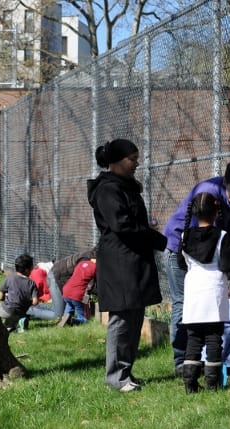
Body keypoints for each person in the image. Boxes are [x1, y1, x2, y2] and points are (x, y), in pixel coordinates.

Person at [163, 160, 230, 376]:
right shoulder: (208, 194)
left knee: (205, 306)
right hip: (180, 250)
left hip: (202, 255)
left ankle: (202, 358)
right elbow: (207, 237)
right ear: (225, 181)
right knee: (184, 302)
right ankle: (181, 359)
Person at [87, 138, 167, 392]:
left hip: (134, 259)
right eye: (132, 159)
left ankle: (125, 373)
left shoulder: (125, 187)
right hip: (120, 262)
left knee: (134, 316)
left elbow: (132, 224)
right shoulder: (107, 190)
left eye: (136, 158)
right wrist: (157, 238)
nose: (137, 163)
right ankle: (116, 378)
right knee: (122, 319)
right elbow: (122, 225)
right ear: (116, 162)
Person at [180, 192, 230, 393]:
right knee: (214, 337)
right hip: (214, 291)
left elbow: (181, 263)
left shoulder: (184, 235)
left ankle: (190, 384)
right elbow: (227, 265)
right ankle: (212, 384)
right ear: (215, 213)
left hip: (194, 290)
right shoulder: (222, 236)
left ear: (194, 212)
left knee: (193, 338)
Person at [46, 247, 97, 318]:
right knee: (58, 315)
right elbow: (87, 285)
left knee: (62, 312)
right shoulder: (88, 259)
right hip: (56, 276)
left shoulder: (92, 258)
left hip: (65, 284)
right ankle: (30, 310)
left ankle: (34, 307)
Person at [0, 254, 40, 332]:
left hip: (7, 310)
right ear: (27, 270)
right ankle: (20, 323)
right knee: (9, 324)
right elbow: (35, 302)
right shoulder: (31, 283)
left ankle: (1, 325)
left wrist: (4, 300)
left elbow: (1, 297)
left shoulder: (10, 278)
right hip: (21, 312)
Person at [59, 258, 97, 326]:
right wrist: (86, 300)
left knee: (69, 305)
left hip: (66, 291)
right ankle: (71, 320)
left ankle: (64, 319)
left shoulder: (81, 263)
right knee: (84, 320)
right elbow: (89, 287)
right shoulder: (95, 268)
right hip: (77, 294)